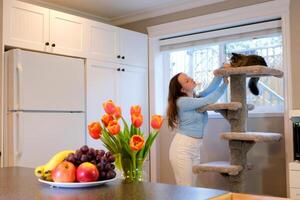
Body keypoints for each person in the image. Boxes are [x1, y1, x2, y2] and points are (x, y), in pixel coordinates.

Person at [167, 72, 228, 186]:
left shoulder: (195, 99)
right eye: (187, 80)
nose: (191, 79)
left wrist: (220, 73)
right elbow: (209, 99)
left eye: (189, 77)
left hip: (195, 148)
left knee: (192, 189)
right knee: (186, 188)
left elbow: (210, 90)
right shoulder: (182, 102)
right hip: (182, 149)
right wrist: (225, 85)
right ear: (182, 90)